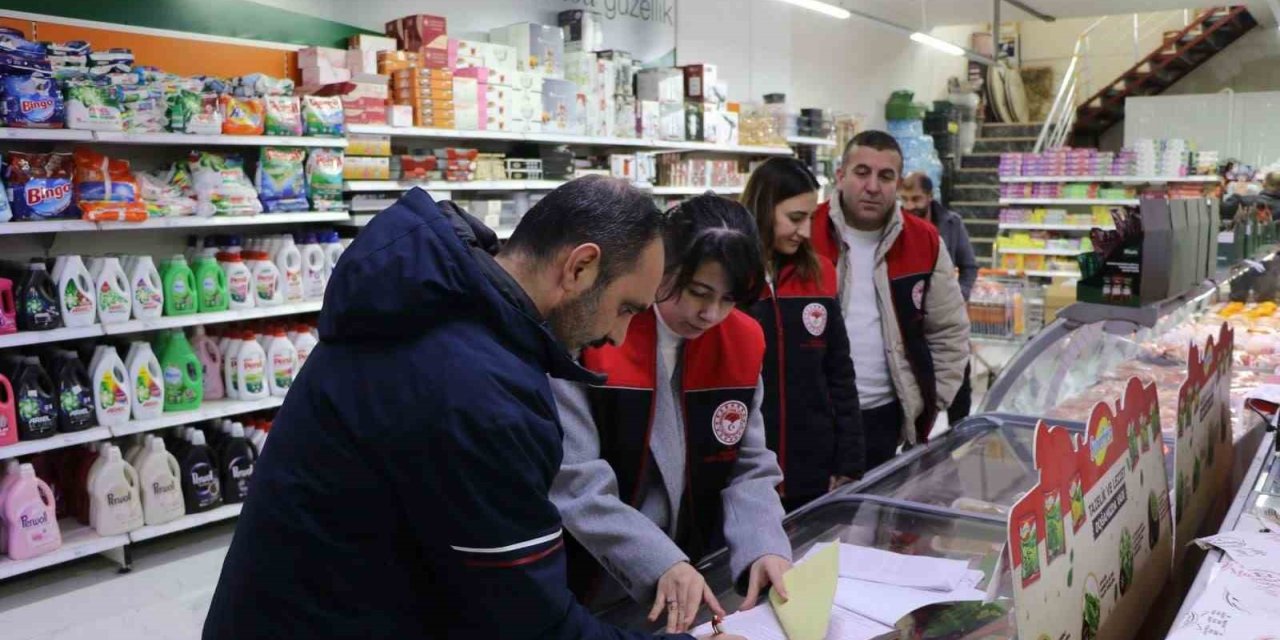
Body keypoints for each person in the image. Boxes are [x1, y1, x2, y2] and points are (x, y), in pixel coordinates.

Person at [203, 177, 736, 640]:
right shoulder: (477, 390)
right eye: (625, 308)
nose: (619, 336)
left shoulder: (433, 307)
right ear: (579, 267)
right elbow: (530, 626)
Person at [551, 194, 793, 635]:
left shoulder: (741, 340)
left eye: (728, 299)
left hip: (692, 573)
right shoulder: (595, 327)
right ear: (664, 263)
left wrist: (764, 547)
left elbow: (748, 465)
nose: (710, 314)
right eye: (699, 292)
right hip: (591, 574)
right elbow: (574, 477)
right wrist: (658, 560)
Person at [808, 130, 970, 471]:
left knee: (874, 520)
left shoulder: (924, 241)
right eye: (862, 172)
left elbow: (949, 331)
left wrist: (928, 404)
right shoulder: (806, 232)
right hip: (813, 414)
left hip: (884, 416)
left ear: (897, 184)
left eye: (886, 176)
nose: (872, 186)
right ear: (841, 175)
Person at [741, 158, 864, 512]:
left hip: (813, 467)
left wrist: (849, 460)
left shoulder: (820, 272)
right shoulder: (730, 278)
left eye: (810, 218)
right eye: (795, 218)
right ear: (764, 208)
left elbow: (839, 371)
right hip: (744, 471)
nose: (806, 231)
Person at [899, 171, 978, 424]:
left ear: (930, 197)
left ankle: (959, 432)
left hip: (946, 316)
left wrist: (958, 296)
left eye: (916, 199)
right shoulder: (897, 225)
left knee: (959, 378)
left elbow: (969, 266)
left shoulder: (951, 223)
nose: (910, 206)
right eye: (905, 199)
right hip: (911, 315)